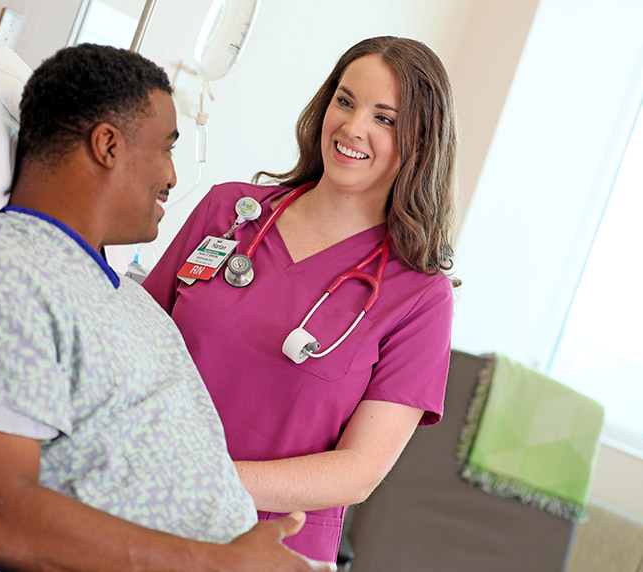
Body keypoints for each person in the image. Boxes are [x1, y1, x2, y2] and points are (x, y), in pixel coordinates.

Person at [0, 44, 334, 572]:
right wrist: (218, 564)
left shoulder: (126, 302)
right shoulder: (5, 278)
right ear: (107, 145)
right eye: (166, 148)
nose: (172, 176)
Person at [142, 35, 459, 562]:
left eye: (385, 118)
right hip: (140, 501)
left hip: (271, 548)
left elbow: (358, 472)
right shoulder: (230, 211)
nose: (353, 128)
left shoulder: (420, 297)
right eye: (345, 100)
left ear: (421, 144)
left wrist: (206, 479)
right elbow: (135, 341)